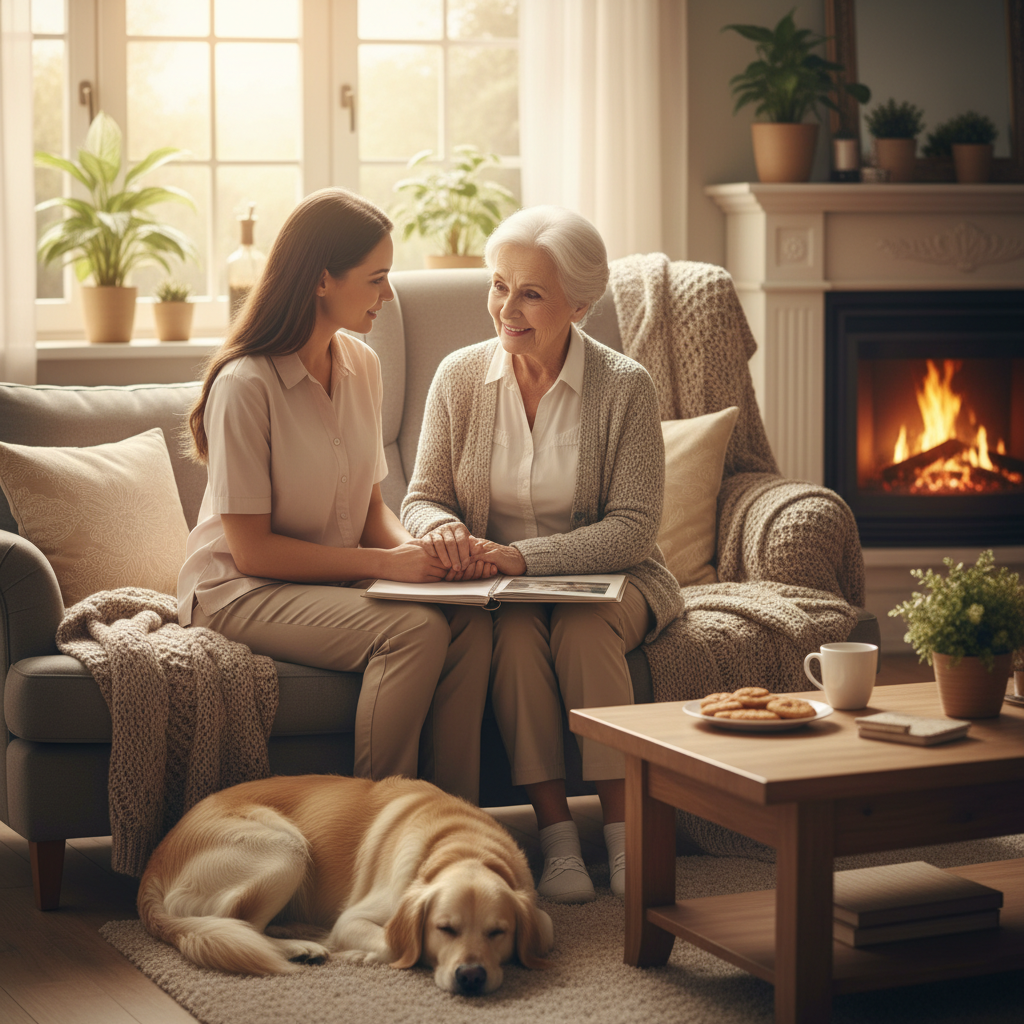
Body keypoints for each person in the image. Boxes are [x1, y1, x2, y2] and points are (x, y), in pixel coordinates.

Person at [401, 206, 681, 901]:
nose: (507, 308)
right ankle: (556, 835)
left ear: (580, 304)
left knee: (582, 629)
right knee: (522, 637)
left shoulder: (625, 386)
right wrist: (441, 531)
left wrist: (520, 559)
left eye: (531, 292)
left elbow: (633, 529)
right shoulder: (459, 377)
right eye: (500, 285)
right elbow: (421, 497)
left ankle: (621, 833)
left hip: (615, 580)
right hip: (504, 594)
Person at [178, 187, 491, 805]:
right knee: (415, 632)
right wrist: (385, 565)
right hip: (237, 590)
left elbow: (372, 513)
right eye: (377, 278)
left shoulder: (362, 365)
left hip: (324, 584)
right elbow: (253, 552)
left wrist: (431, 557)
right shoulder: (245, 385)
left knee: (470, 622)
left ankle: (451, 820)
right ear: (323, 280)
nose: (389, 294)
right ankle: (374, 823)